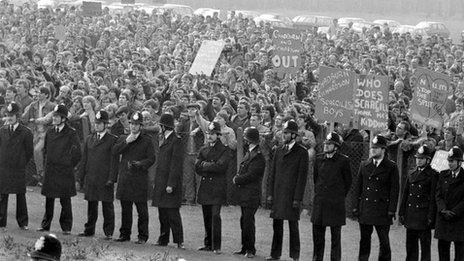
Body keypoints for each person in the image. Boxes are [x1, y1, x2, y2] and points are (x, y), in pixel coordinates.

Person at [266, 120, 309, 261]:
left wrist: (297, 198)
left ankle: (295, 255)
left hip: (291, 195)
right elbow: (272, 173)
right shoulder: (279, 150)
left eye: (287, 133)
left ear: (294, 135)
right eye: (283, 132)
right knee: (277, 225)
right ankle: (275, 254)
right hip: (278, 193)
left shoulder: (302, 152)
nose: (284, 135)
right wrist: (270, 194)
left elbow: (302, 178)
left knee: (293, 226)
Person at [353, 134, 399, 261]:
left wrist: (391, 210)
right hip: (366, 208)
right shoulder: (364, 165)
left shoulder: (391, 167)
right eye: (372, 148)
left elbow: (394, 190)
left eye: (377, 148)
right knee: (364, 240)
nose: (373, 150)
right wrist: (356, 206)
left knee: (384, 241)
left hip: (382, 209)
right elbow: (358, 188)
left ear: (383, 150)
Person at [38, 104, 81, 235]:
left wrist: (68, 165)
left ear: (64, 118)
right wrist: (47, 164)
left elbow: (77, 153)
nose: (55, 118)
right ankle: (45, 225)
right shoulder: (50, 131)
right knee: (49, 199)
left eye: (58, 116)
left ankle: (66, 227)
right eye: (54, 116)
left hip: (64, 171)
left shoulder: (71, 133)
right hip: (51, 169)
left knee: (65, 200)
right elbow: (45, 150)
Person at [113, 111, 155, 244]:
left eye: (136, 125)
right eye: (132, 124)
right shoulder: (123, 137)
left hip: (139, 178)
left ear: (141, 126)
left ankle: (143, 236)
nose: (133, 127)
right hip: (126, 177)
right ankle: (124, 234)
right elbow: (114, 151)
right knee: (126, 208)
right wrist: (126, 141)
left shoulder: (147, 140)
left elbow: (151, 158)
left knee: (141, 209)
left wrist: (140, 164)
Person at [77, 110, 118, 240]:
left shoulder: (112, 140)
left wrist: (112, 178)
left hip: (105, 177)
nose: (97, 125)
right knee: (91, 205)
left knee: (107, 205)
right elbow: (85, 159)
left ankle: (108, 232)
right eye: (96, 123)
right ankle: (89, 229)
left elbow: (114, 162)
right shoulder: (90, 138)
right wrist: (80, 177)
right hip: (91, 176)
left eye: (100, 123)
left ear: (106, 125)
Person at [311, 132, 352, 261]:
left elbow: (348, 182)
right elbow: (316, 178)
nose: (326, 146)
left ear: (336, 146)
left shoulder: (343, 161)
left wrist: (338, 195)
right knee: (317, 237)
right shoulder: (318, 159)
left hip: (335, 204)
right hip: (320, 203)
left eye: (329, 144)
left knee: (335, 237)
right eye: (326, 144)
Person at [195, 121, 230, 254]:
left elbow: (221, 167)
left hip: (217, 187)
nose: (210, 136)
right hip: (205, 186)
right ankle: (208, 243)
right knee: (207, 216)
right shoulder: (204, 149)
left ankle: (216, 245)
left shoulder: (224, 149)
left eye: (213, 134)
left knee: (215, 216)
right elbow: (197, 166)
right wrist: (209, 165)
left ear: (218, 135)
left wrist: (205, 165)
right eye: (209, 133)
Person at [399, 144, 437, 261]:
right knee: (410, 246)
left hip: (423, 215)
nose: (418, 161)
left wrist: (431, 216)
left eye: (421, 158)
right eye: (417, 158)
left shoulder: (433, 175)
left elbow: (433, 197)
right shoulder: (412, 173)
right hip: (411, 214)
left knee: (425, 247)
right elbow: (405, 194)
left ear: (428, 160)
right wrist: (401, 212)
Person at [152, 113, 184, 248]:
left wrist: (171, 184)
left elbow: (175, 165)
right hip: (161, 180)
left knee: (173, 213)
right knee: (162, 212)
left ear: (164, 126)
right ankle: (163, 239)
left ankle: (179, 241)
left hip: (170, 181)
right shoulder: (164, 139)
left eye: (160, 126)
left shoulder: (176, 140)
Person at [232, 127, 265, 258]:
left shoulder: (258, 156)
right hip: (245, 193)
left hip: (251, 194)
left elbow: (252, 175)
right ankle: (245, 247)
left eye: (246, 138)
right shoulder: (250, 153)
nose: (244, 141)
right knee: (243, 220)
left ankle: (250, 249)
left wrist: (237, 179)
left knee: (248, 222)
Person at [0, 102, 33, 231]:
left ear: (18, 116)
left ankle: (23, 222)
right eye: (8, 115)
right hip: (3, 167)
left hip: (18, 168)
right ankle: (1, 221)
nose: (9, 118)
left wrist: (20, 162)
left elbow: (29, 152)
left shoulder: (25, 132)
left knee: (20, 195)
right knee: (2, 194)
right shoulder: (2, 130)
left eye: (12, 115)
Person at [435, 146, 464, 261]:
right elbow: (438, 195)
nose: (449, 163)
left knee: (460, 254)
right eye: (449, 161)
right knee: (443, 252)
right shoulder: (443, 175)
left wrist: (454, 212)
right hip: (443, 218)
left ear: (459, 162)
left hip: (459, 219)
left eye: (452, 161)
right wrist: (443, 210)